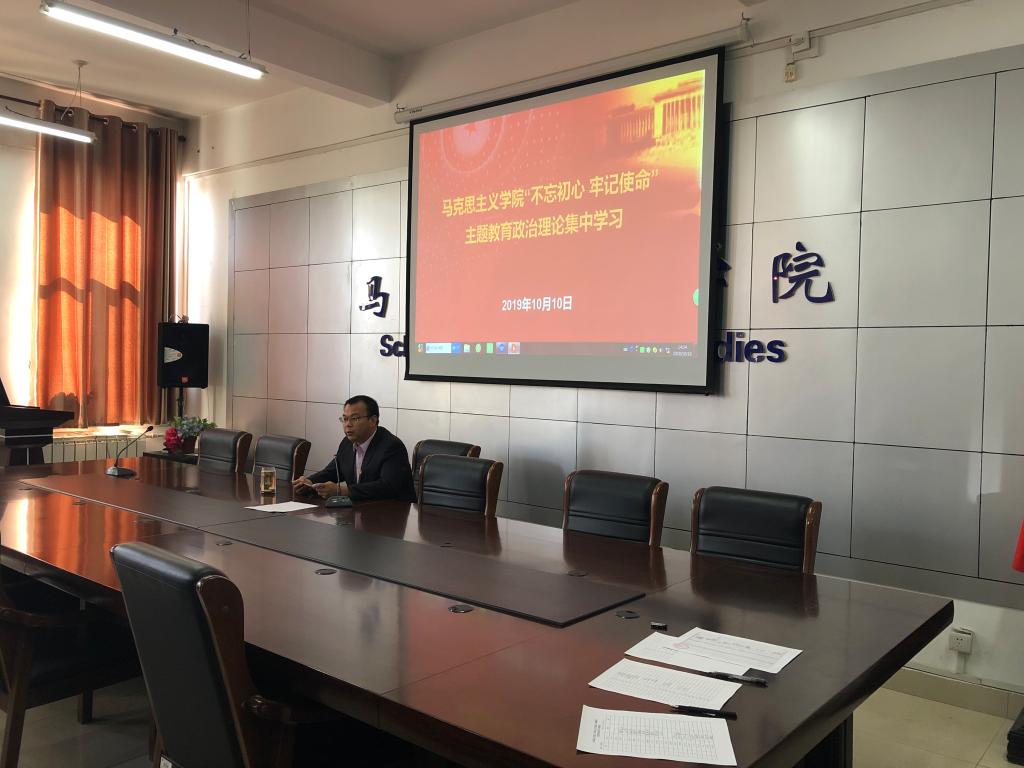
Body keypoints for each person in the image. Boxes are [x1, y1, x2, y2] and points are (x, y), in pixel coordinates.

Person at [293, 395, 416, 503]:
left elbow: (387, 487)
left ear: (373, 420)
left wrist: (343, 491)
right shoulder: (347, 443)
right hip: (360, 511)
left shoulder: (391, 446)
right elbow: (333, 471)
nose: (348, 424)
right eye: (345, 419)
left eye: (355, 418)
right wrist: (309, 482)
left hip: (392, 513)